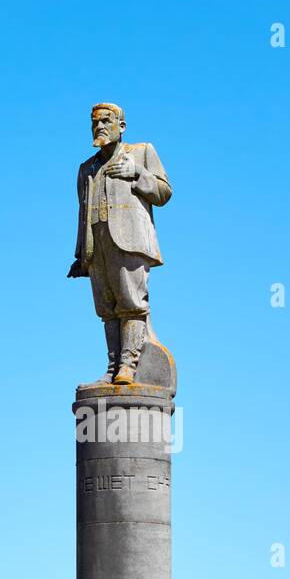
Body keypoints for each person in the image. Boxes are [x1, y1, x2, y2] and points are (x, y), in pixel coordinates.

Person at [68, 102, 171, 385]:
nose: (99, 127)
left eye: (105, 121)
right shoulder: (86, 168)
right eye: (95, 123)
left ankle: (129, 364)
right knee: (107, 307)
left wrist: (137, 174)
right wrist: (81, 253)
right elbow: (82, 210)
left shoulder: (141, 153)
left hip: (130, 241)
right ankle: (112, 367)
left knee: (132, 303)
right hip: (97, 245)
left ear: (121, 126)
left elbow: (164, 192)